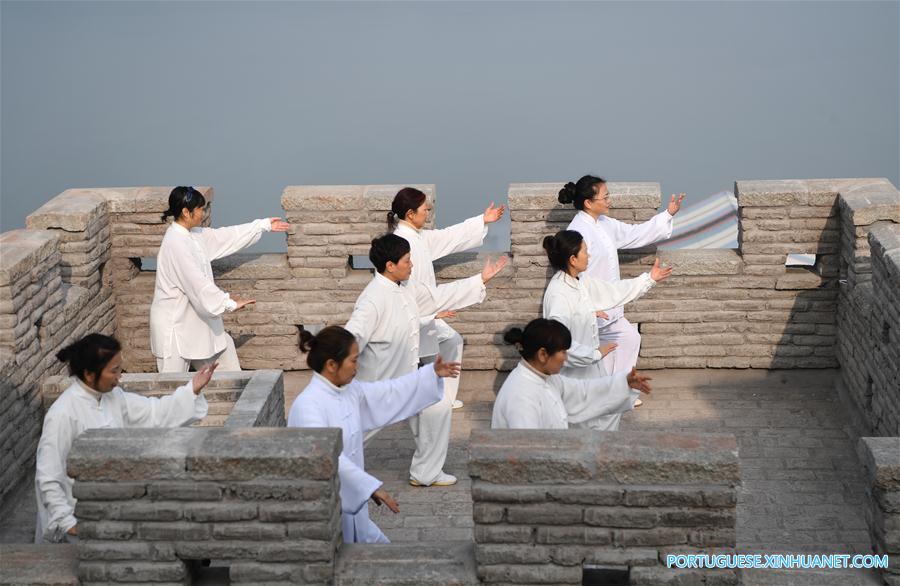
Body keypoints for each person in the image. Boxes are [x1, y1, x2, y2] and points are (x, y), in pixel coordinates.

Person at [345, 234, 505, 487]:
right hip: (379, 387)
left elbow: (436, 296)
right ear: (390, 265)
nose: (412, 265)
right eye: (407, 261)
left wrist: (480, 279)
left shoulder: (405, 286)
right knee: (350, 436)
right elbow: (353, 335)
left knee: (438, 407)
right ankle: (321, 465)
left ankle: (426, 473)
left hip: (407, 378)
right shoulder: (372, 299)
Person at [287, 326, 461, 543]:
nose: (356, 367)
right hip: (324, 512)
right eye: (353, 360)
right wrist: (368, 486)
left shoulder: (349, 390)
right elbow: (325, 457)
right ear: (332, 365)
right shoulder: (308, 406)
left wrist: (429, 375)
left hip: (352, 509)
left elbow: (388, 392)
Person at [35, 334, 213, 544]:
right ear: (90, 374)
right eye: (114, 371)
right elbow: (48, 477)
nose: (120, 377)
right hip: (79, 517)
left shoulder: (113, 397)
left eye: (120, 369)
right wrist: (68, 523)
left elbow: (153, 413)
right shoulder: (63, 414)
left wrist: (192, 389)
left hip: (110, 508)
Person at [389, 187, 507, 414]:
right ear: (411, 214)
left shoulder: (417, 237)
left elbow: (448, 237)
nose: (429, 211)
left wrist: (482, 220)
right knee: (439, 348)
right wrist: (431, 313)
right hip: (416, 314)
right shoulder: (402, 244)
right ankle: (434, 400)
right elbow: (404, 290)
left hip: (427, 310)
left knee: (448, 343)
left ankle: (440, 397)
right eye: (425, 208)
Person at [150, 186, 290, 373]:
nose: (203, 213)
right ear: (186, 212)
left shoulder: (193, 236)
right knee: (171, 390)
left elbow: (225, 237)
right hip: (174, 328)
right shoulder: (176, 244)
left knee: (226, 359)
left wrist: (262, 225)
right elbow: (197, 284)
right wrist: (228, 303)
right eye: (199, 209)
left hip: (198, 322)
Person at [561, 175, 684, 378]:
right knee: (590, 356)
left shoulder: (603, 223)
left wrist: (668, 214)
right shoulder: (577, 231)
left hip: (610, 306)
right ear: (588, 203)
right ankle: (599, 392)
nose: (610, 201)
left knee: (629, 338)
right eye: (605, 197)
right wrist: (588, 306)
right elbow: (572, 274)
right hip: (591, 309)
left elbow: (634, 234)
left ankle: (619, 387)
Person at [542, 230, 671, 422]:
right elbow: (558, 345)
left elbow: (612, 292)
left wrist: (648, 279)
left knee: (606, 419)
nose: (589, 255)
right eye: (585, 251)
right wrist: (596, 354)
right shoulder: (558, 296)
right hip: (573, 381)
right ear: (573, 259)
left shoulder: (578, 281)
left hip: (589, 374)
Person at [492, 319, 652, 430]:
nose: (566, 358)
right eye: (562, 352)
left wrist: (623, 382)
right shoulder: (521, 396)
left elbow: (582, 391)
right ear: (543, 354)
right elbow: (526, 451)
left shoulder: (545, 377)